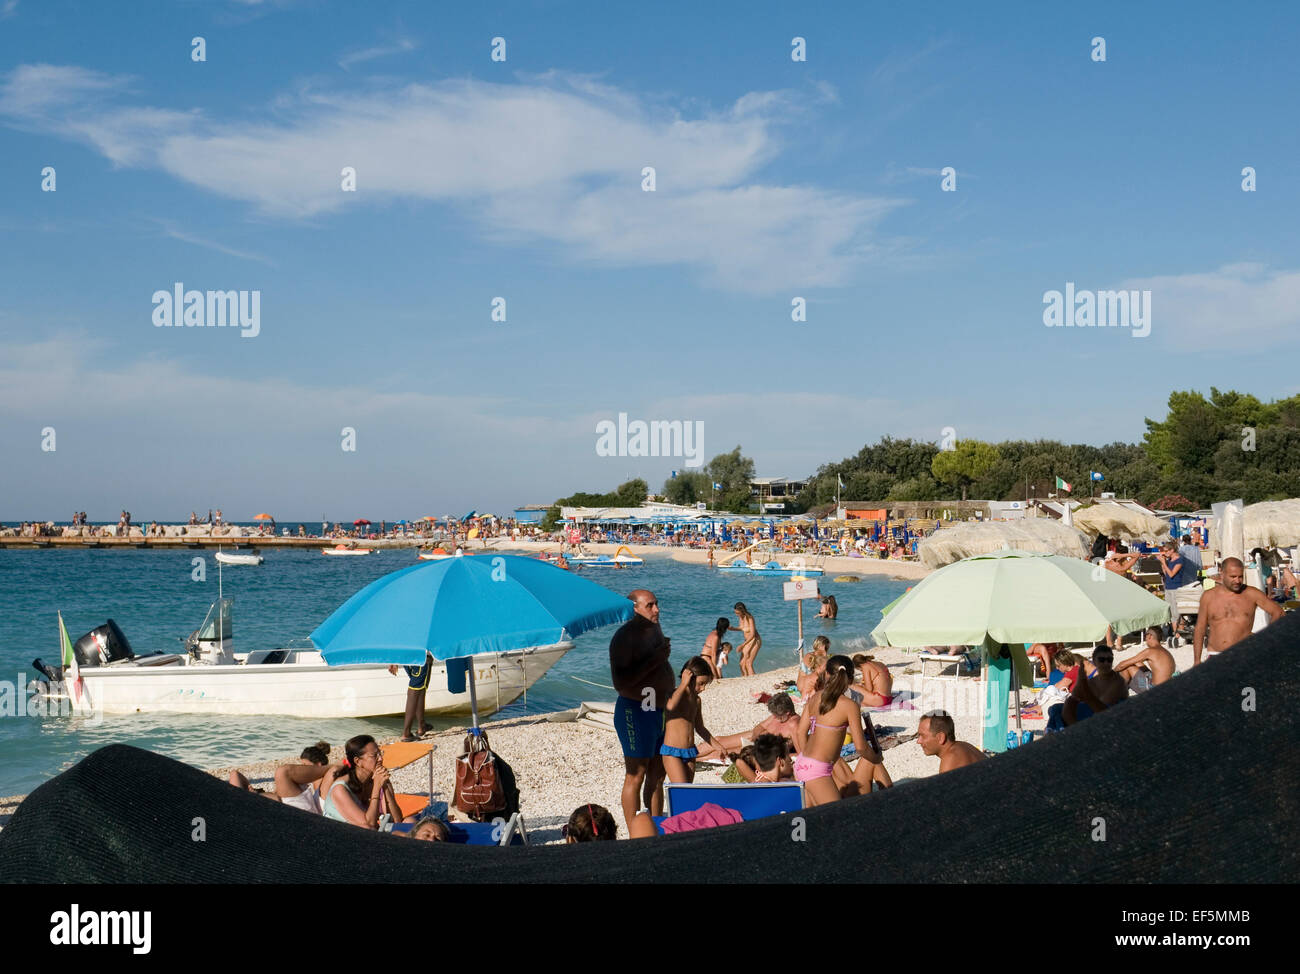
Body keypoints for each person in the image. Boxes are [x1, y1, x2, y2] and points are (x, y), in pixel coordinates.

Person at [609, 589, 674, 825]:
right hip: (636, 710)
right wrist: (656, 660)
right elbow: (621, 683)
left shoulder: (653, 628)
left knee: (658, 774)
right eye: (650, 605)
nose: (657, 609)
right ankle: (634, 831)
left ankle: (655, 825)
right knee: (636, 775)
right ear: (634, 608)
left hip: (660, 709)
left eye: (657, 604)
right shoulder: (625, 637)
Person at [794, 654, 885, 806]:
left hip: (802, 763)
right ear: (851, 679)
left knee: (814, 818)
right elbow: (861, 747)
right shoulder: (850, 706)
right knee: (836, 817)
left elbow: (800, 732)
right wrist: (876, 758)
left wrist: (807, 760)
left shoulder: (815, 697)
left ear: (827, 674)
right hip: (817, 770)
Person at [1193, 557, 1285, 663]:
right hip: (1216, 655)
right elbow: (1200, 629)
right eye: (1233, 576)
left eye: (1240, 577)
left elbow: (1278, 612)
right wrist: (1197, 660)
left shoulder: (1251, 594)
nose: (1237, 581)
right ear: (1222, 574)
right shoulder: (1208, 596)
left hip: (1245, 655)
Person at [319, 735, 410, 829]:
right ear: (358, 761)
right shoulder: (340, 789)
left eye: (380, 753)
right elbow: (369, 825)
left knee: (409, 821)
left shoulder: (376, 778)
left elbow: (398, 820)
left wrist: (385, 786)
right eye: (374, 756)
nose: (380, 759)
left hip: (364, 834)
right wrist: (377, 787)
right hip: (340, 836)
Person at [660, 657, 722, 783]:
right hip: (672, 752)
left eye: (705, 684)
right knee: (681, 789)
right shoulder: (673, 695)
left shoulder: (697, 700)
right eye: (701, 683)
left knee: (688, 789)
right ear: (689, 678)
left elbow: (700, 728)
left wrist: (718, 746)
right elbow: (670, 707)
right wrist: (683, 684)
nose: (703, 688)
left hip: (690, 752)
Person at [227, 742, 333, 811]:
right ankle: (242, 800)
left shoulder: (325, 780)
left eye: (305, 765)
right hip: (295, 807)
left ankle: (240, 803)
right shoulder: (310, 784)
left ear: (318, 765)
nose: (302, 768)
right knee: (234, 774)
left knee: (282, 772)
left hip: (304, 813)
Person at [697, 691, 802, 761]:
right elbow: (759, 727)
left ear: (787, 712)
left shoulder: (794, 725)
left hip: (762, 748)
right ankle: (686, 753)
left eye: (777, 715)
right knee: (719, 740)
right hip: (752, 738)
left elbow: (801, 754)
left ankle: (692, 759)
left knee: (720, 753)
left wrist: (782, 757)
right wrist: (753, 737)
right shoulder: (777, 715)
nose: (775, 717)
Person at [1061, 647, 1127, 725]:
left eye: (1109, 660)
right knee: (1057, 708)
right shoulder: (1092, 679)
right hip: (1095, 711)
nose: (1106, 663)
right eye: (1101, 660)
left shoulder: (1117, 681)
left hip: (1109, 715)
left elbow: (1104, 708)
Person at [1154, 541, 1197, 642]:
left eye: (1166, 551)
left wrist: (1164, 563)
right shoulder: (1170, 560)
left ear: (1172, 550)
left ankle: (1176, 634)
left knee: (1175, 613)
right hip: (1168, 587)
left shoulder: (1179, 560)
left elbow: (1172, 574)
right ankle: (1176, 633)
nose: (1164, 553)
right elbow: (1166, 574)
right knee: (1170, 611)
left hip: (1175, 588)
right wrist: (1163, 563)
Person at [917, 711, 986, 773]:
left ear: (941, 738)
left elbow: (944, 787)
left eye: (923, 736)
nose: (918, 741)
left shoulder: (950, 759)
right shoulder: (965, 745)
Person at [388, 652, 434, 742]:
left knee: (420, 689)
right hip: (420, 657)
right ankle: (406, 733)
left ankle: (421, 726)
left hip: (408, 658)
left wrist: (394, 660)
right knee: (415, 691)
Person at [1113, 627, 1176, 692]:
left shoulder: (1150, 651)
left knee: (1128, 667)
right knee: (1138, 663)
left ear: (1149, 636)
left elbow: (1122, 665)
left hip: (1154, 690)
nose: (1145, 638)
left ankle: (1115, 692)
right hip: (1166, 688)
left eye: (1145, 635)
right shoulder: (1164, 651)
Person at [729, 602, 762, 677]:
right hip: (747, 641)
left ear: (742, 611)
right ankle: (745, 678)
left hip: (755, 640)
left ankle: (753, 680)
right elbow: (742, 628)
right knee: (742, 664)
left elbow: (753, 634)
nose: (736, 615)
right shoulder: (741, 617)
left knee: (748, 663)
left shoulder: (750, 618)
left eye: (738, 613)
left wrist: (742, 645)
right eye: (735, 613)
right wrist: (732, 628)